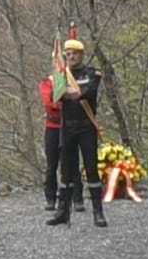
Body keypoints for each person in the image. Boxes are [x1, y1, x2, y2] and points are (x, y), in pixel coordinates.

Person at [48, 39, 106, 227]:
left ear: (81, 54)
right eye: (68, 54)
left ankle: (98, 211)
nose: (71, 57)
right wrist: (67, 92)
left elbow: (88, 92)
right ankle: (63, 211)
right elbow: (54, 96)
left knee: (91, 168)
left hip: (86, 125)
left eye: (74, 53)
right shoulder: (62, 74)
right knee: (66, 170)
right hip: (68, 126)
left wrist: (70, 93)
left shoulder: (92, 73)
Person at [38, 73, 64, 212]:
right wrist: (64, 103)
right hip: (52, 127)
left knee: (70, 164)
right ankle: (50, 198)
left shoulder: (71, 80)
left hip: (68, 127)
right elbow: (49, 102)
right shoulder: (47, 82)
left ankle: (76, 198)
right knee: (51, 165)